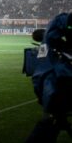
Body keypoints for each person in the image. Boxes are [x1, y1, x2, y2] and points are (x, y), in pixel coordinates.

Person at [25, 12, 72, 142]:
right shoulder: (52, 41)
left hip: (46, 90)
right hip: (55, 88)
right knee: (50, 124)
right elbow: (61, 21)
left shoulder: (46, 48)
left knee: (51, 123)